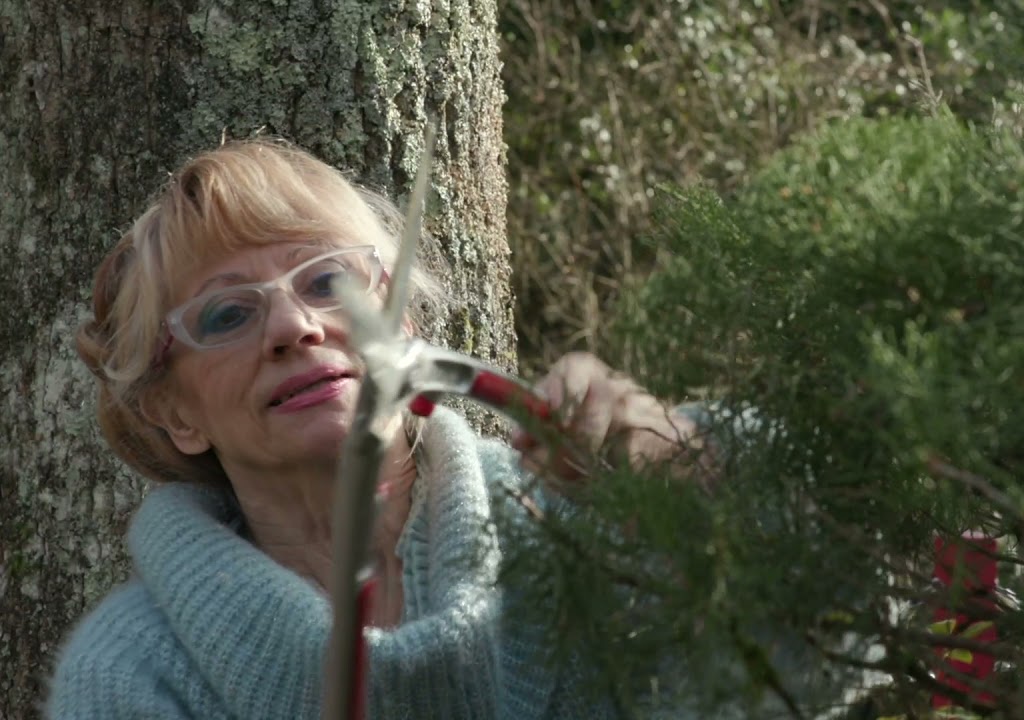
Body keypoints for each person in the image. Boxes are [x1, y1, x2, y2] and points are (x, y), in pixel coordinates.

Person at [47, 138, 712, 719]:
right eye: (226, 315)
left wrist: (691, 467)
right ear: (174, 415)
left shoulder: (576, 521)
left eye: (330, 280)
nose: (293, 326)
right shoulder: (132, 676)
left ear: (403, 323)